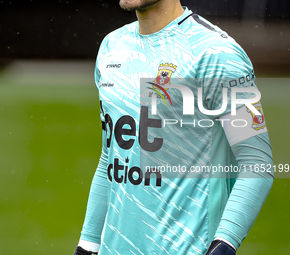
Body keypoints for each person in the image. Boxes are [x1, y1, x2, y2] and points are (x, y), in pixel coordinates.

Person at [74, 0, 274, 254]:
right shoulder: (112, 47)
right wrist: (88, 243)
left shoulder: (216, 53)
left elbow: (256, 162)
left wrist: (224, 245)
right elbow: (112, 158)